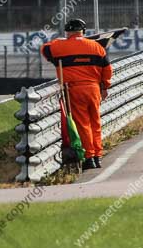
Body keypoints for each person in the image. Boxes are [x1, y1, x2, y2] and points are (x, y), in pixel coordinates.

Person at [40, 19, 113, 170]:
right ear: (83, 31)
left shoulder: (59, 46)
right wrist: (105, 87)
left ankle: (89, 157)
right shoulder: (97, 47)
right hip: (94, 89)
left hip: (74, 89)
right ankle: (98, 155)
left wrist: (61, 41)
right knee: (95, 123)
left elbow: (44, 49)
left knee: (82, 123)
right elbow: (107, 69)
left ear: (67, 32)